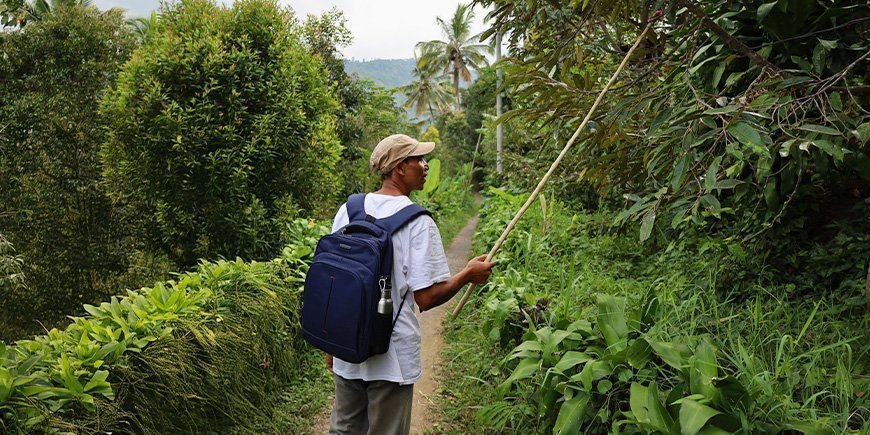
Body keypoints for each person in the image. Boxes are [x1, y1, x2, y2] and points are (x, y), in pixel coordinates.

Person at [327, 133, 495, 435]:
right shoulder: (418, 222)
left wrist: (331, 346)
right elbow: (427, 297)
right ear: (398, 168)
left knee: (343, 430)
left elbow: (335, 281)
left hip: (347, 344)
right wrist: (467, 274)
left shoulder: (348, 210)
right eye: (418, 159)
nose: (425, 165)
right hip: (391, 357)